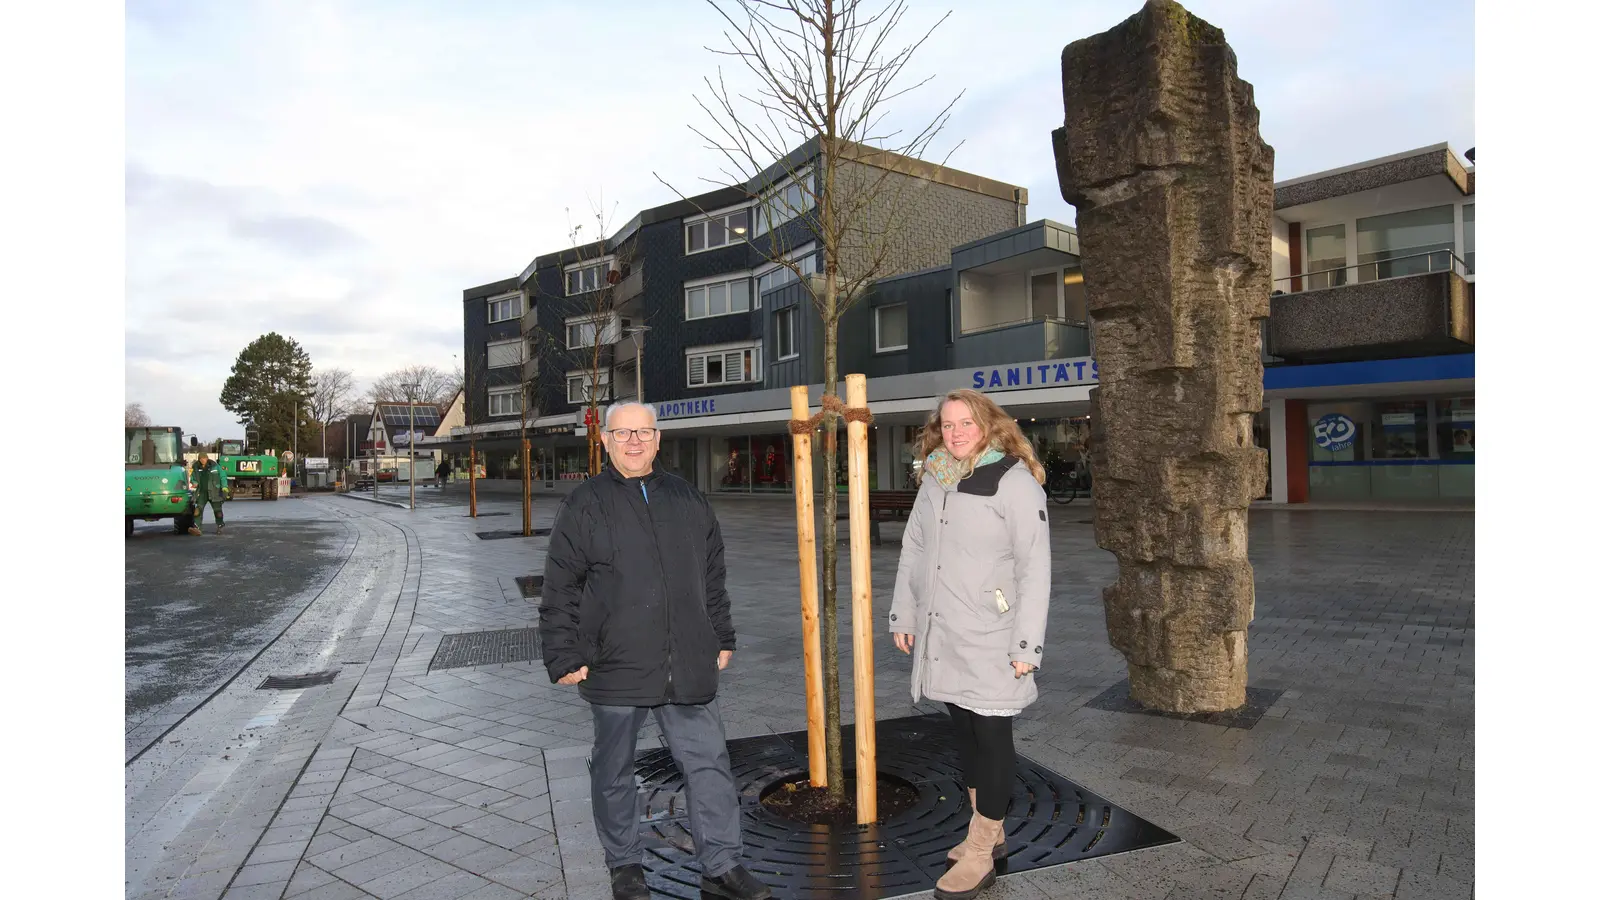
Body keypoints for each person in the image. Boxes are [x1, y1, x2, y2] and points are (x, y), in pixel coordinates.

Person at [540, 401, 772, 900]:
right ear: (605, 440)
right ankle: (625, 866)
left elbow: (712, 576)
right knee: (613, 769)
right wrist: (563, 654)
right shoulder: (584, 503)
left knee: (708, 765)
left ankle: (721, 866)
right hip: (616, 662)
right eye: (623, 434)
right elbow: (559, 587)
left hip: (688, 662)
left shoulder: (687, 499)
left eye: (644, 432)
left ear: (658, 439)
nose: (634, 442)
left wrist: (722, 635)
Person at [889, 388, 1051, 900]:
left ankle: (981, 849)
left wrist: (1027, 643)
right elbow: (914, 545)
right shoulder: (936, 477)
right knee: (964, 729)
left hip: (992, 634)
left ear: (989, 426)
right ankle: (992, 828)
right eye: (949, 424)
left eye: (966, 423)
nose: (956, 432)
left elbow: (1035, 566)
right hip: (944, 629)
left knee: (991, 733)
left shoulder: (1013, 481)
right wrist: (905, 610)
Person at [188, 451, 229, 535]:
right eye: (201, 458)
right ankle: (197, 527)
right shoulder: (196, 468)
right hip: (201, 492)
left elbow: (223, 475)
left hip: (215, 491)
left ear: (207, 458)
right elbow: (193, 478)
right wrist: (194, 482)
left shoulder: (215, 466)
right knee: (197, 510)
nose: (203, 460)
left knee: (218, 511)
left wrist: (224, 486)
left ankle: (220, 525)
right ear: (199, 459)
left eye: (204, 458)